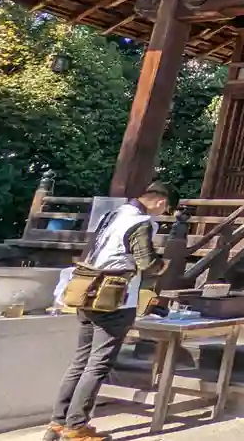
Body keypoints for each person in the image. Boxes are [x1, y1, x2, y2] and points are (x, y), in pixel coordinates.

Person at [46, 182, 172, 441]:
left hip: (86, 290)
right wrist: (163, 266)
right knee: (98, 364)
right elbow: (146, 262)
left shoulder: (112, 215)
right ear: (161, 201)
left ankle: (58, 422)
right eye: (166, 208)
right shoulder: (140, 222)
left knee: (80, 362)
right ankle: (76, 426)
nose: (163, 213)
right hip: (113, 299)